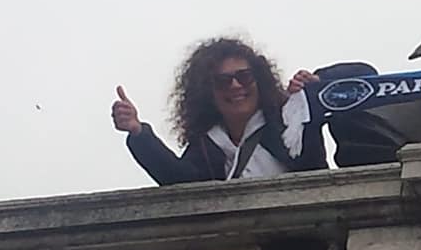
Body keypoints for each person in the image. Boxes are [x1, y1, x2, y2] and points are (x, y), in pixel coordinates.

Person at [112, 37, 325, 185]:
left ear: (259, 80)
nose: (235, 86)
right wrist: (138, 132)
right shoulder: (208, 143)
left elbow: (314, 166)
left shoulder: (287, 125)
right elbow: (179, 181)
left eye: (244, 77)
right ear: (208, 92)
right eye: (223, 81)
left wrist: (312, 97)